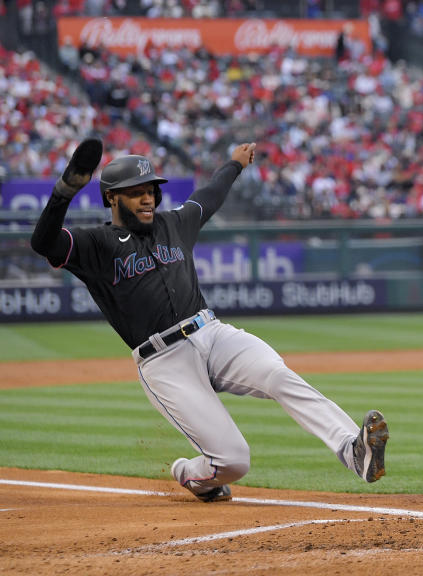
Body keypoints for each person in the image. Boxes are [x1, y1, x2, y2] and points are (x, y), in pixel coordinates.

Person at [30, 141, 389, 502]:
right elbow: (44, 242)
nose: (147, 198)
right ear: (112, 199)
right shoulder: (97, 244)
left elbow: (211, 195)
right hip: (164, 361)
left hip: (212, 334)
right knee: (234, 461)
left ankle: (352, 450)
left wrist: (234, 165)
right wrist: (65, 192)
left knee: (278, 374)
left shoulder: (175, 223)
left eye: (150, 190)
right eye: (135, 192)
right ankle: (190, 474)